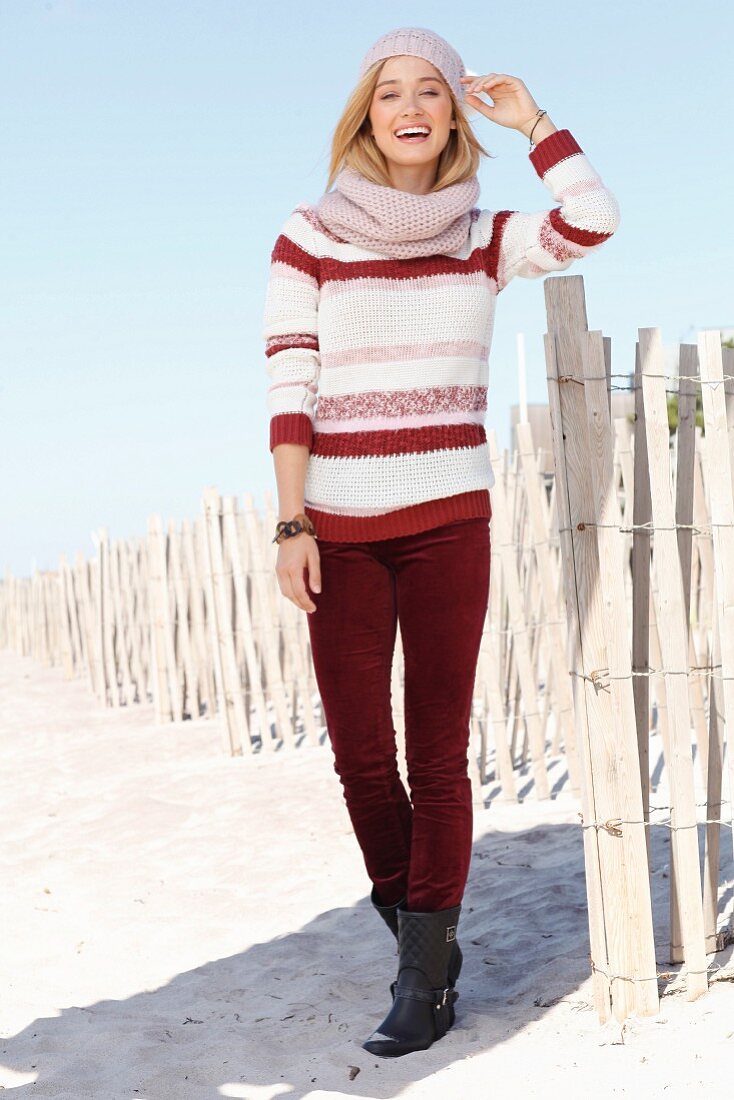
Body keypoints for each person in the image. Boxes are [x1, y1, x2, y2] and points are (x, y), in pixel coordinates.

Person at [263, 26, 619, 1057]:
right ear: (363, 118)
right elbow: (290, 387)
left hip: (448, 520)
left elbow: (592, 222)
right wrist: (292, 520)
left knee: (436, 752)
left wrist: (538, 123)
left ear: (454, 114)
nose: (410, 106)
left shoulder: (484, 234)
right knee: (359, 758)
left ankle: (422, 976)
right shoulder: (306, 236)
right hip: (340, 525)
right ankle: (425, 932)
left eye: (431, 90)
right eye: (389, 93)